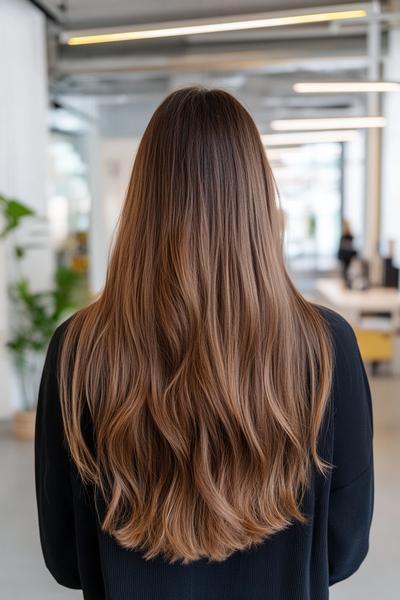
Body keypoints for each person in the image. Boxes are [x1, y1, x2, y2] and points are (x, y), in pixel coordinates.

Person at [35, 88, 373, 600]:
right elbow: (343, 550)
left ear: (143, 198)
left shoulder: (78, 350)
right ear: (257, 198)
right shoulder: (325, 347)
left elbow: (66, 558)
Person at [337, 218, 357, 285]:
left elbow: (350, 246)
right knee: (345, 270)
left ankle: (348, 283)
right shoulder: (346, 235)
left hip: (347, 255)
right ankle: (346, 283)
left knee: (347, 270)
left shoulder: (348, 236)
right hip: (345, 255)